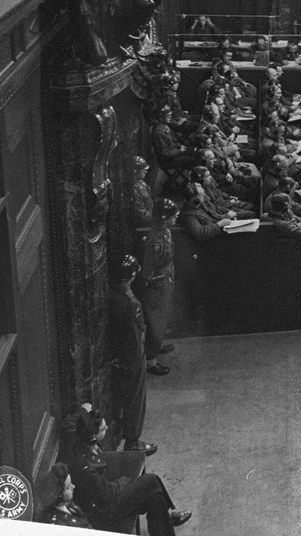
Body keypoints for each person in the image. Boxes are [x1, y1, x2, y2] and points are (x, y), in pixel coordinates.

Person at [69, 406, 191, 535]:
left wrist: (84, 411)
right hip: (102, 512)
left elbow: (73, 422)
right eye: (103, 429)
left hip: (102, 495)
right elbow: (107, 494)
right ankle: (166, 518)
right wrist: (125, 481)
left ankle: (165, 518)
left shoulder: (81, 441)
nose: (107, 428)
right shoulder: (86, 468)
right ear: (93, 437)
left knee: (155, 497)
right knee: (151, 481)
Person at [108, 255, 156, 455]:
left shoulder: (111, 297)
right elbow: (137, 336)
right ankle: (133, 441)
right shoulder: (131, 303)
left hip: (117, 357)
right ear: (131, 276)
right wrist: (139, 362)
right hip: (133, 359)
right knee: (135, 401)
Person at [138, 199, 179, 377]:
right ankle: (151, 360)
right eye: (172, 215)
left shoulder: (165, 232)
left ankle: (157, 345)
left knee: (162, 318)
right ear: (163, 218)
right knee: (155, 321)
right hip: (158, 285)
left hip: (165, 280)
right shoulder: (156, 239)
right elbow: (149, 268)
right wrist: (156, 284)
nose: (176, 217)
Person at [38, 461, 90, 528]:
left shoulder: (68, 503)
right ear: (59, 495)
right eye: (68, 487)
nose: (73, 486)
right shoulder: (55, 523)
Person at [133, 156, 154, 226]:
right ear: (135, 171)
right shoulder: (134, 190)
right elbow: (141, 214)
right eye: (143, 170)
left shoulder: (141, 183)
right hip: (145, 220)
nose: (146, 171)